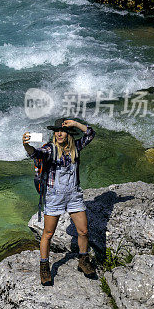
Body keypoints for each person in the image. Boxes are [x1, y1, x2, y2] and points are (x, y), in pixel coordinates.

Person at [22, 117, 96, 285]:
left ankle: (83, 261)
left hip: (74, 195)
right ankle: (44, 267)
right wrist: (26, 145)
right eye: (56, 131)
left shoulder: (76, 147)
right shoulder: (50, 149)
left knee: (83, 231)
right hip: (54, 197)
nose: (59, 133)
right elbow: (36, 153)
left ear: (68, 133)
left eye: (62, 130)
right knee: (48, 233)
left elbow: (91, 133)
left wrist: (76, 124)